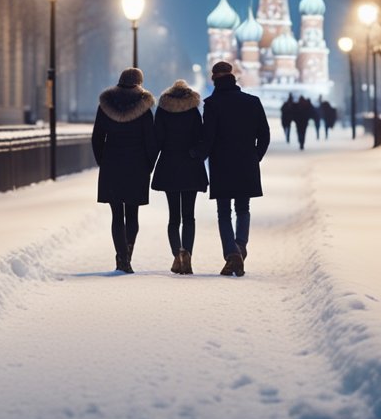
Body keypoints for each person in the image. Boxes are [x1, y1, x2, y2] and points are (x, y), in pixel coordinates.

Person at [201, 60, 270, 277]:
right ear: (233, 76)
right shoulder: (252, 102)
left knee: (224, 212)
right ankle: (240, 246)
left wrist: (195, 155)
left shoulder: (212, 105)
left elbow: (208, 138)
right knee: (243, 208)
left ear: (214, 79)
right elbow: (264, 134)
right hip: (245, 163)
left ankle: (232, 253)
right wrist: (254, 156)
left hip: (222, 164)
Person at [91, 67, 157, 273]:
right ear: (139, 82)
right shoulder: (144, 106)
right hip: (136, 164)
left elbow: (96, 137)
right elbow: (151, 140)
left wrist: (103, 160)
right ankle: (128, 253)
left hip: (112, 163)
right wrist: (149, 164)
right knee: (132, 213)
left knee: (117, 215)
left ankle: (121, 257)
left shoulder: (106, 104)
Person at [151, 79, 205, 275]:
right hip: (191, 166)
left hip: (169, 166)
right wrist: (197, 154)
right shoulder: (193, 111)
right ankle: (188, 254)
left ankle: (177, 254)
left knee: (174, 217)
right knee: (189, 216)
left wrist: (150, 164)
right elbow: (202, 136)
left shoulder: (164, 110)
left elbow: (157, 139)